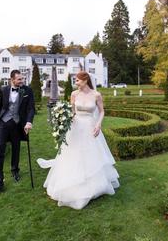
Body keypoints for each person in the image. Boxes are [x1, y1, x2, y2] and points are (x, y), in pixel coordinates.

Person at [37, 71, 119, 209]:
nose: (76, 83)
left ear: (85, 80)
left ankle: (93, 183)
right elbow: (72, 111)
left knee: (91, 154)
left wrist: (98, 124)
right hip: (75, 127)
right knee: (73, 153)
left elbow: (102, 111)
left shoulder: (96, 95)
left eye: (77, 80)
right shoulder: (74, 94)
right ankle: (73, 180)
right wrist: (64, 119)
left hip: (90, 127)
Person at [0, 70, 35, 194]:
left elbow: (31, 108)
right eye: (19, 79)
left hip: (17, 124)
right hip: (3, 123)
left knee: (16, 148)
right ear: (12, 80)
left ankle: (15, 171)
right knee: (0, 150)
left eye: (22, 79)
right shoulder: (3, 89)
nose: (22, 81)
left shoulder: (27, 90)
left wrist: (29, 122)